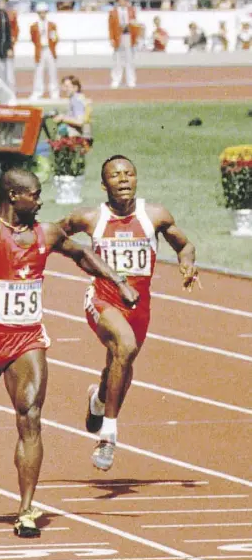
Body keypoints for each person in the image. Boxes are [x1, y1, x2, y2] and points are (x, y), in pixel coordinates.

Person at [0, 102, 138, 537]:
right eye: (35, 195)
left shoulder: (46, 233)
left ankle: (26, 510)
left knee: (30, 416)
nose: (41, 201)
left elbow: (83, 253)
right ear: (15, 196)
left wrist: (118, 282)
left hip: (26, 341)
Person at [58, 155, 198, 472]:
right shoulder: (90, 218)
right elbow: (51, 236)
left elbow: (184, 245)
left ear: (136, 179)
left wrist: (187, 263)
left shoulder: (156, 216)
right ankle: (108, 437)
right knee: (125, 345)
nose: (123, 179)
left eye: (129, 174)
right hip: (103, 298)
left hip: (139, 306)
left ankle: (98, 400)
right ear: (103, 184)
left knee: (120, 362)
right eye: (115, 175)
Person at [108, 0, 139, 89]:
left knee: (130, 59)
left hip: (128, 36)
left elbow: (135, 24)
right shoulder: (113, 12)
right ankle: (116, 79)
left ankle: (131, 80)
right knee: (117, 59)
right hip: (118, 36)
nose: (122, 2)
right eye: (120, 0)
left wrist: (136, 37)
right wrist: (112, 38)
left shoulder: (131, 11)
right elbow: (110, 27)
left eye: (124, 0)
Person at [30, 2, 59, 100]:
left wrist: (52, 44)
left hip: (49, 49)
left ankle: (54, 92)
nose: (42, 15)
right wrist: (39, 46)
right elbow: (33, 39)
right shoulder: (34, 26)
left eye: (44, 12)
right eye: (40, 13)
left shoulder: (52, 25)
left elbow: (55, 38)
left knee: (52, 71)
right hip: (40, 50)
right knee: (39, 71)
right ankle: (38, 92)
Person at [53, 75, 92, 141]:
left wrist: (63, 118)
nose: (64, 89)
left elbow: (80, 122)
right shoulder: (76, 98)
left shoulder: (76, 100)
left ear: (75, 88)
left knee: (61, 130)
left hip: (80, 137)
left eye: (67, 87)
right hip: (82, 134)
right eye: (63, 86)